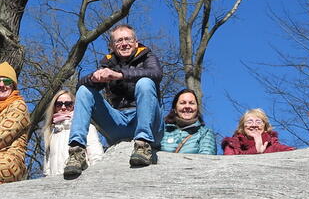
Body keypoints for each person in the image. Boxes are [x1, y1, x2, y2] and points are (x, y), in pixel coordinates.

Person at [64, 24, 164, 178]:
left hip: (147, 123)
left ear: (136, 42)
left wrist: (119, 74)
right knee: (84, 90)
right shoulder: (108, 62)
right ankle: (76, 152)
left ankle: (143, 145)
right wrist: (94, 77)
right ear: (111, 46)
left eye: (127, 39)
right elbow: (80, 86)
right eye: (118, 41)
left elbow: (156, 74)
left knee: (145, 83)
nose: (124, 43)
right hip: (119, 122)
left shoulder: (147, 56)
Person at [42, 89, 104, 177]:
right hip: (55, 186)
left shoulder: (87, 128)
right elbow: (47, 167)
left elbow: (96, 157)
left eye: (68, 104)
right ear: (54, 107)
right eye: (59, 104)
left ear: (74, 106)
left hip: (79, 183)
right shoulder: (49, 133)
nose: (63, 107)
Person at [159, 89, 218, 155]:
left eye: (191, 103)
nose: (187, 106)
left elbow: (206, 160)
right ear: (175, 109)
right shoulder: (163, 131)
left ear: (197, 108)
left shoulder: (205, 133)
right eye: (182, 103)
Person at [222, 109, 294, 155]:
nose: (254, 125)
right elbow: (230, 162)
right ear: (242, 127)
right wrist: (255, 151)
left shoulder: (271, 143)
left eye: (258, 122)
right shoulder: (232, 144)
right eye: (249, 122)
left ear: (265, 127)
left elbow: (291, 152)